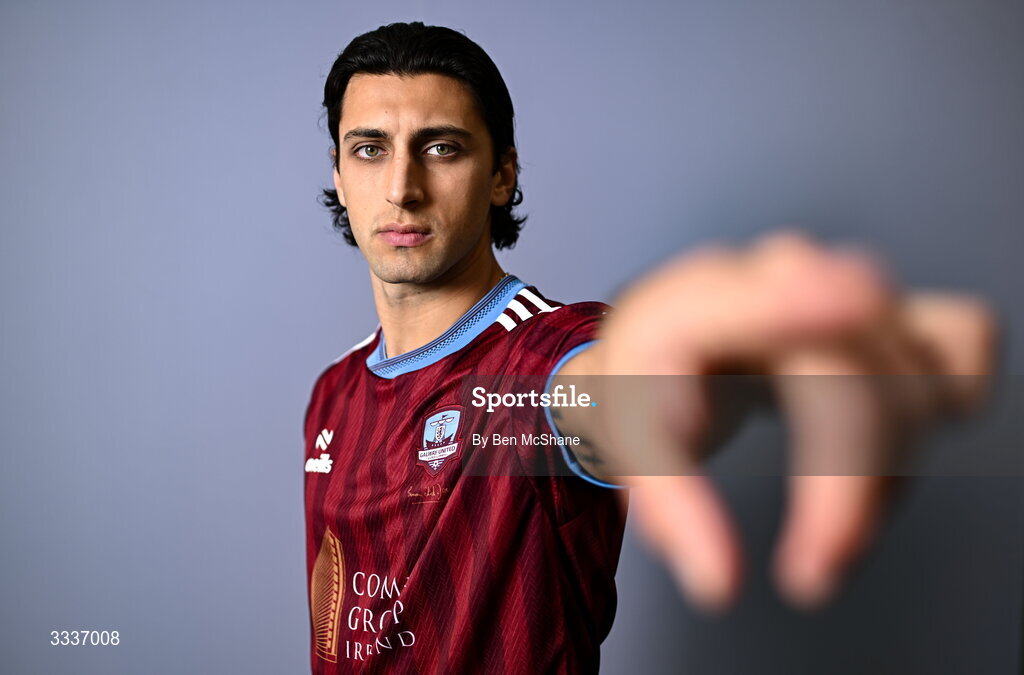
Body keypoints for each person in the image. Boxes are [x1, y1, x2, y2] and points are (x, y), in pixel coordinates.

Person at [303, 21, 996, 674]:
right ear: (339, 173)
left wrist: (690, 373)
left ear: (502, 175)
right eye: (370, 149)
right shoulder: (331, 392)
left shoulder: (533, 362)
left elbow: (600, 391)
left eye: (442, 147)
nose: (401, 187)